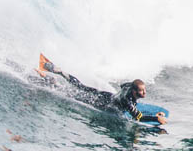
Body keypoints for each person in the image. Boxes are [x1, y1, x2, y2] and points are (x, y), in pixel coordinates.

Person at [37, 54, 167, 125]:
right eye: (142, 91)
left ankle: (58, 71)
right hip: (100, 102)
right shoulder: (127, 101)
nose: (144, 93)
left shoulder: (129, 86)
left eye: (144, 90)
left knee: (80, 86)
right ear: (134, 92)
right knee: (71, 93)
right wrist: (156, 119)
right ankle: (50, 80)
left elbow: (123, 86)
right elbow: (138, 117)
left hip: (106, 96)